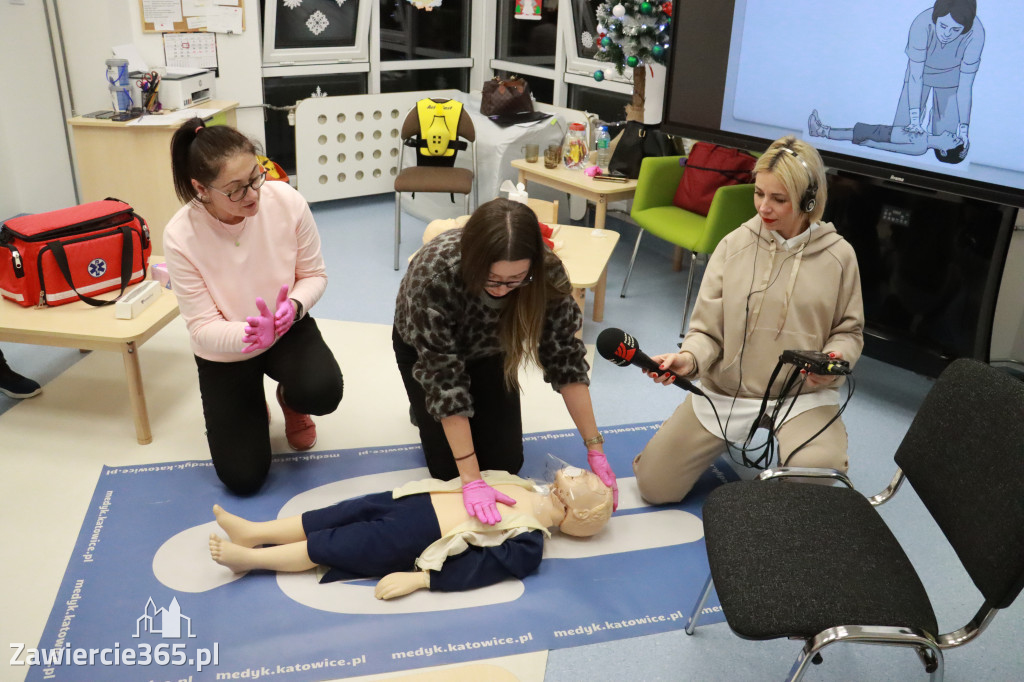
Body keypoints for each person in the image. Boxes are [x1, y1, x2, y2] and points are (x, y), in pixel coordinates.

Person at [632, 136, 865, 504]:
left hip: (801, 397)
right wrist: (689, 359)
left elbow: (848, 331)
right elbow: (707, 330)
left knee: (816, 478)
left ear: (809, 201)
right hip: (728, 392)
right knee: (653, 487)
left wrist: (834, 361)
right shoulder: (733, 246)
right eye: (759, 194)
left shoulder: (839, 256)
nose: (764, 208)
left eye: (778, 199)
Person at [392, 197, 617, 525]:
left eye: (516, 281)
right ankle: (422, 406)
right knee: (448, 474)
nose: (502, 290)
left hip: (491, 349)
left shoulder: (546, 271)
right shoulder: (435, 275)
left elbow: (565, 357)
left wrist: (594, 447)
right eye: (492, 279)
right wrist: (470, 479)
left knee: (505, 464)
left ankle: (438, 414)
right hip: (426, 353)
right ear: (472, 262)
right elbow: (445, 381)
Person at [165, 118, 344, 495]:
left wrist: (292, 309)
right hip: (226, 350)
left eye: (255, 176)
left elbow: (315, 275)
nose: (252, 195)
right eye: (235, 190)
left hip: (286, 327)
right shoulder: (181, 235)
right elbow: (201, 328)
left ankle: (290, 400)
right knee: (243, 479)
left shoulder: (287, 202)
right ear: (201, 189)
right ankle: (249, 402)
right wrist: (250, 334)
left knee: (324, 391)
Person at [208, 466, 613, 599]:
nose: (557, 485)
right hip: (413, 500)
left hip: (418, 537)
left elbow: (482, 568)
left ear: (574, 517)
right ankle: (254, 532)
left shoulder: (528, 541)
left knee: (334, 544)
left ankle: (252, 559)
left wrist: (422, 579)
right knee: (336, 514)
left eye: (566, 494)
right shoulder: (523, 485)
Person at [893, 0, 984, 164]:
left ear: (966, 28)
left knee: (946, 147)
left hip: (951, 79)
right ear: (935, 18)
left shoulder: (976, 33)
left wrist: (964, 128)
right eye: (943, 26)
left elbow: (965, 86)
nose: (947, 33)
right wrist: (915, 120)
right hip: (920, 73)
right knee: (900, 135)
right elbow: (915, 76)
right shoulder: (921, 23)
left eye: (956, 29)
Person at [808, 109, 962, 156]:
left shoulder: (921, 148)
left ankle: (821, 132)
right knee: (853, 131)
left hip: (884, 137)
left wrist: (872, 144)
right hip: (885, 130)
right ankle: (823, 129)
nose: (953, 135)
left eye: (954, 140)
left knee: (852, 134)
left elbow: (894, 148)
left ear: (944, 151)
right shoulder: (927, 133)